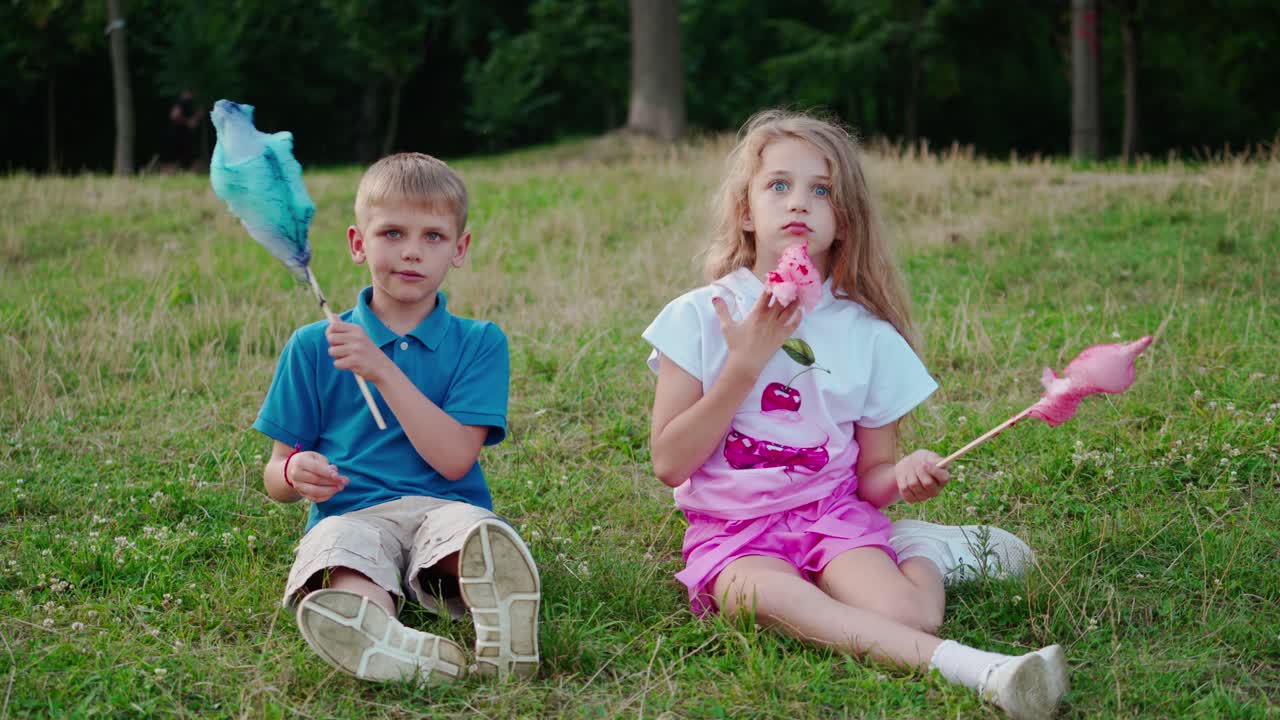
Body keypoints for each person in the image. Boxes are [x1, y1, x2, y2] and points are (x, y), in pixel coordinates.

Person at [643, 110, 1068, 719]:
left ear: (843, 221)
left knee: (908, 612)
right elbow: (668, 461)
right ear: (745, 210)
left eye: (822, 191)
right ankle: (982, 672)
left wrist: (904, 478)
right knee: (790, 606)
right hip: (735, 534)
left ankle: (920, 548)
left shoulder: (867, 336)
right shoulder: (697, 317)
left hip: (831, 513)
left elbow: (873, 475)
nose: (800, 203)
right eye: (779, 185)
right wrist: (745, 364)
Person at [255, 153, 540, 684]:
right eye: (391, 233)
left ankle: (500, 620)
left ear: (460, 249)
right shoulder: (314, 346)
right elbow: (274, 475)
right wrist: (294, 473)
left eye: (433, 236)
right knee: (344, 558)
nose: (411, 252)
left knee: (474, 540)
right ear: (358, 243)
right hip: (354, 513)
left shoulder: (479, 343)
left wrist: (381, 368)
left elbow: (455, 460)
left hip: (446, 508)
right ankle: (384, 638)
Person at [163, 89, 203, 172]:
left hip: (187, 136)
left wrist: (196, 117)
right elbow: (174, 116)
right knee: (173, 161)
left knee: (191, 158)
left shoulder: (191, 103)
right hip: (177, 135)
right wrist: (188, 121)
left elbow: (197, 116)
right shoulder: (181, 102)